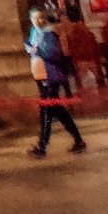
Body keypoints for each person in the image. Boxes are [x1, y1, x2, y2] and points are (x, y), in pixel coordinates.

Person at [25, 9, 85, 157]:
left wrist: (36, 50)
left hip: (50, 75)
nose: (38, 21)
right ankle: (78, 140)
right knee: (57, 110)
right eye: (34, 18)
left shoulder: (49, 34)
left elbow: (53, 53)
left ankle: (42, 146)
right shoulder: (34, 32)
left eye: (40, 18)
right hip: (40, 74)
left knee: (46, 110)